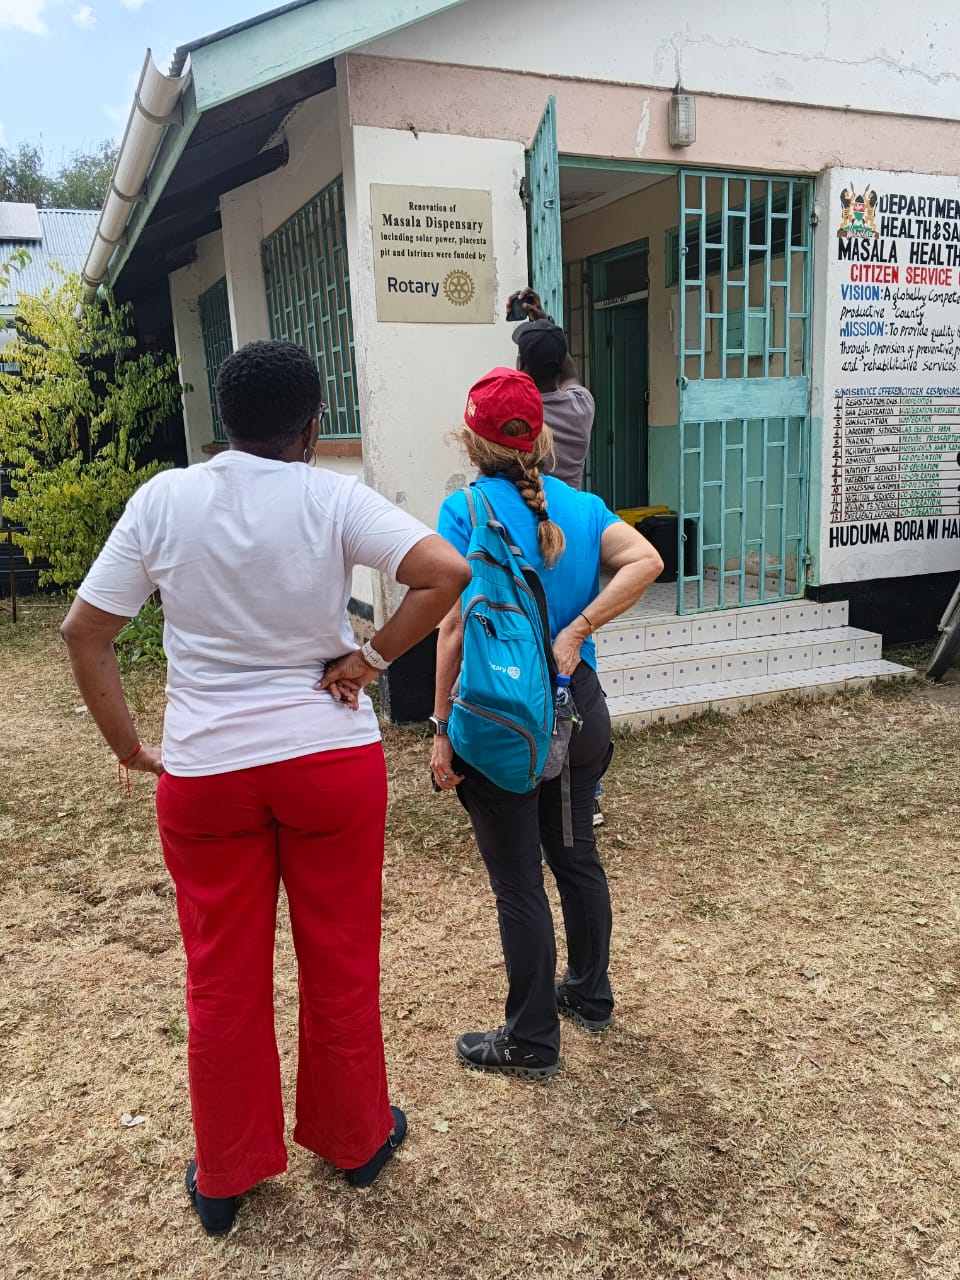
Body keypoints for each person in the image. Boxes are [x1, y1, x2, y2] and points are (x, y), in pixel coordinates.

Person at [60, 340, 470, 1234]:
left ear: (225, 423)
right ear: (314, 428)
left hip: (206, 772)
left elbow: (84, 631)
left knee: (220, 977)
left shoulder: (164, 499)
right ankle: (356, 1140)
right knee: (340, 957)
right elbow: (446, 573)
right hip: (327, 762)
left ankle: (226, 1173)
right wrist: (368, 660)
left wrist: (130, 747)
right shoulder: (332, 497)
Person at [429, 368, 663, 1080]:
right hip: (574, 707)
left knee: (518, 883)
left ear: (471, 441)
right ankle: (588, 994)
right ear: (541, 437)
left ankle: (531, 1038)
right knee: (575, 856)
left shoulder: (464, 510)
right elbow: (647, 559)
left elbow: (452, 628)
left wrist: (439, 727)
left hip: (501, 719)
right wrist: (578, 629)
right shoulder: (583, 507)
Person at [507, 288, 606, 826]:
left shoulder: (522, 417)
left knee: (525, 649)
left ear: (523, 369)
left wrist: (532, 335)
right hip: (574, 537)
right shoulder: (581, 404)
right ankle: (584, 785)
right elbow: (563, 369)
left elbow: (522, 382)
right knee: (576, 652)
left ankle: (524, 765)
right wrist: (545, 324)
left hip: (528, 528)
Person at [506, 288, 595, 490]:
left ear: (521, 364)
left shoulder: (512, 415)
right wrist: (547, 325)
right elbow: (570, 375)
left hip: (525, 508)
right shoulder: (582, 406)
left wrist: (545, 325)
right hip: (569, 508)